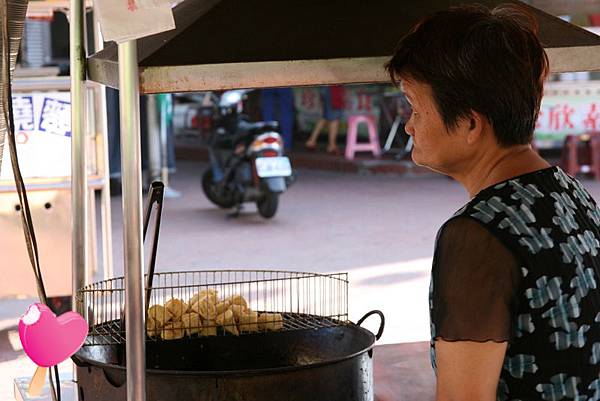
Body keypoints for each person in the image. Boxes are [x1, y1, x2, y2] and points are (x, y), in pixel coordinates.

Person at [385, 4, 600, 400]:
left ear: (470, 123)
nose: (409, 124)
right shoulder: (572, 194)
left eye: (415, 107)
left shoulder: (476, 236)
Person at [305, 85, 345, 155]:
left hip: (326, 87)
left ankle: (312, 141)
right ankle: (331, 145)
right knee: (334, 117)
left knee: (326, 116)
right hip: (332, 89)